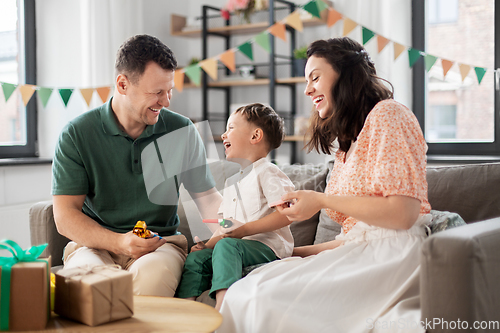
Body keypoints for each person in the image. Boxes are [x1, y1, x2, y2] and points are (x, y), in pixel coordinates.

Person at [217, 37, 432, 333]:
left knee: (260, 297)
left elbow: (402, 214)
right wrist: (292, 253)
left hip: (393, 257)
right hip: (365, 252)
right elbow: (356, 237)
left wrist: (321, 201)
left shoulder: (389, 115)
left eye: (315, 78)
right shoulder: (349, 145)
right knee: (250, 289)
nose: (308, 90)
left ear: (345, 75)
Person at [51, 34, 222, 297]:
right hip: (94, 247)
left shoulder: (182, 130)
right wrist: (119, 242)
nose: (166, 102)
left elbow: (208, 199)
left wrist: (239, 232)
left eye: (169, 91)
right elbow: (65, 216)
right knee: (91, 292)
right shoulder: (76, 134)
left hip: (159, 246)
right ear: (122, 85)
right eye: (157, 93)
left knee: (149, 284)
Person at [175, 103, 295, 311]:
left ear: (255, 136)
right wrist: (207, 246)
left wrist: (244, 231)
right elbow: (225, 226)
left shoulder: (268, 172)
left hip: (268, 248)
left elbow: (287, 215)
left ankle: (223, 306)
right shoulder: (232, 183)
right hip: (234, 246)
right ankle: (187, 311)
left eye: (231, 128)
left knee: (226, 246)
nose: (223, 134)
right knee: (197, 257)